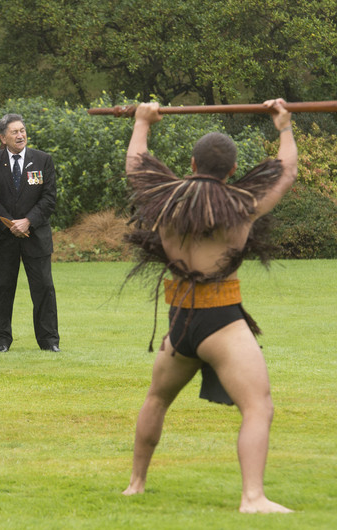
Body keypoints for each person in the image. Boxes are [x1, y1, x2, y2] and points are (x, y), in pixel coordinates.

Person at [121, 99, 297, 514]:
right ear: (233, 170)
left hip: (180, 322)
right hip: (222, 323)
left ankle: (135, 484)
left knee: (157, 399)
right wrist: (284, 126)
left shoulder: (164, 198)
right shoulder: (241, 204)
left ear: (193, 162)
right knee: (258, 407)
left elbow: (136, 164)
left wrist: (142, 121)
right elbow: (285, 172)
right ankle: (252, 498)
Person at [0, 113, 59, 352]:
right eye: (14, 132)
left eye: (23, 130)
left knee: (44, 288)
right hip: (2, 237)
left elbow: (49, 198)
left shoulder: (42, 160)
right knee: (1, 289)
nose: (20, 135)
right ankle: (0, 340)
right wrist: (10, 223)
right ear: (2, 138)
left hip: (35, 236)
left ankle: (49, 341)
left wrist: (28, 221)